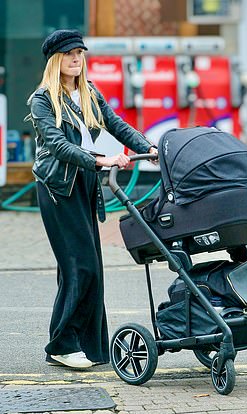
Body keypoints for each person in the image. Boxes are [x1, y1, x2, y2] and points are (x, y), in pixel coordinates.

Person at [27, 29, 158, 369]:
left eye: (80, 53)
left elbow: (116, 124)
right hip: (58, 189)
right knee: (81, 267)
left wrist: (149, 148)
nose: (76, 58)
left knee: (85, 267)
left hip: (83, 185)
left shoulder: (87, 92)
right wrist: (101, 160)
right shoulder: (42, 99)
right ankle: (62, 344)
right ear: (56, 59)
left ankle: (84, 343)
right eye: (69, 53)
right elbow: (57, 145)